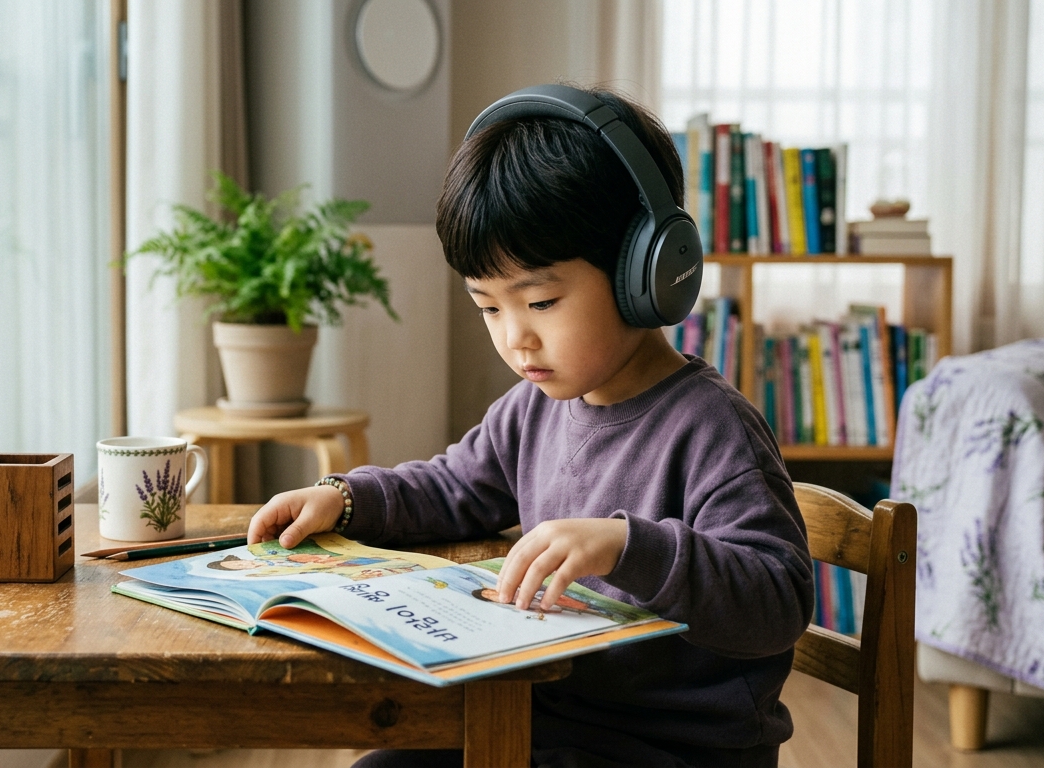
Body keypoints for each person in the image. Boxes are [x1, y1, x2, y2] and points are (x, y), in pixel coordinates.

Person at [247, 85, 813, 768]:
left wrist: (628, 546)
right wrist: (346, 496)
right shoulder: (533, 408)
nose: (517, 339)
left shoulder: (714, 428)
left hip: (671, 751)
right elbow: (453, 485)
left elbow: (778, 598)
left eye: (541, 301)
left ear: (648, 271)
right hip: (545, 717)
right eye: (489, 307)